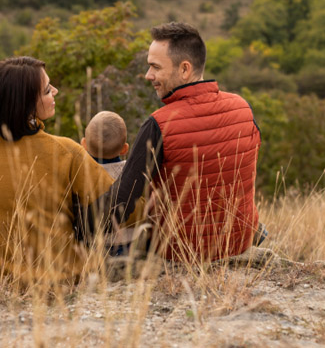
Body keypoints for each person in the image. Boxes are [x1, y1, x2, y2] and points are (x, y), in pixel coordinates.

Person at [109, 22, 263, 262]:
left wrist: (73, 224)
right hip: (237, 243)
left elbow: (120, 204)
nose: (148, 75)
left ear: (184, 69)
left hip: (180, 253)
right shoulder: (244, 108)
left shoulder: (158, 124)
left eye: (155, 67)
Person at [0, 56, 114, 286]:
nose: (55, 91)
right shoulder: (66, 151)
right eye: (46, 91)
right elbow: (121, 205)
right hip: (54, 278)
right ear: (26, 103)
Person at [81, 111, 137, 255]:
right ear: (125, 149)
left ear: (84, 144)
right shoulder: (129, 171)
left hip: (95, 243)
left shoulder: (81, 172)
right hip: (131, 242)